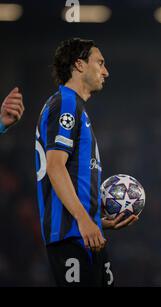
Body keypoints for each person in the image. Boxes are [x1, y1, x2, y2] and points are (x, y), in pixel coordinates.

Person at [34, 38, 138, 287]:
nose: (106, 71)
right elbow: (55, 165)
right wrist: (83, 219)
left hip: (86, 233)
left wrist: (95, 220)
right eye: (100, 63)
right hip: (73, 236)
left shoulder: (75, 107)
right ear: (79, 65)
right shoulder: (66, 103)